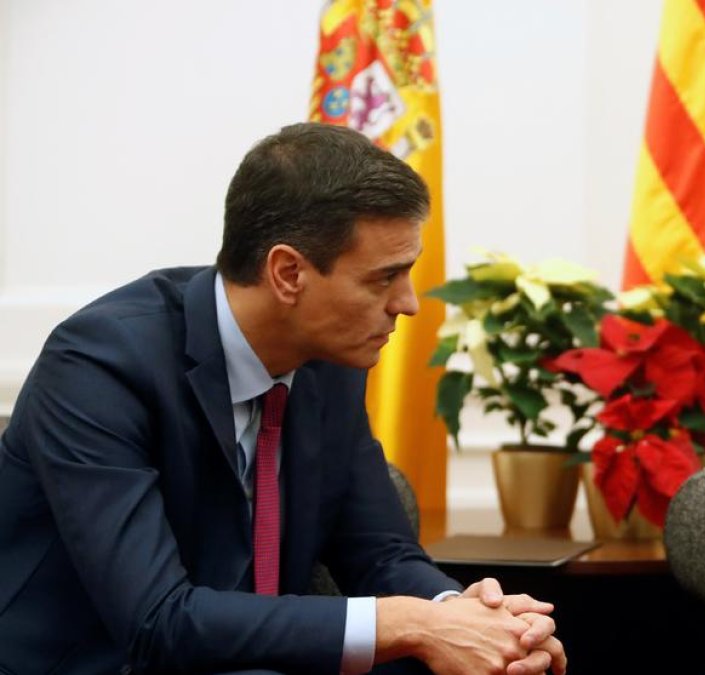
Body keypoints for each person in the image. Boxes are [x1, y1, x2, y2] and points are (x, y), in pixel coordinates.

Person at [0, 122, 566, 675]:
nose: (409, 304)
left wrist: (468, 620)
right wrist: (411, 625)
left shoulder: (330, 361)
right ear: (289, 272)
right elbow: (157, 621)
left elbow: (381, 554)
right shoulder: (101, 364)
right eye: (383, 278)